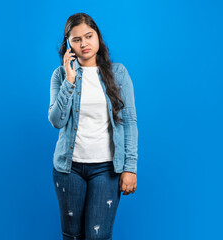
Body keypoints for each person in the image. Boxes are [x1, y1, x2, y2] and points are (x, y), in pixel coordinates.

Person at [48, 12, 138, 240]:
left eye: (88, 36)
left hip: (106, 169)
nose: (84, 43)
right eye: (76, 39)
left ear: (98, 37)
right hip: (69, 169)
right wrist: (70, 80)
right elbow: (57, 120)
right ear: (68, 45)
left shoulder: (118, 73)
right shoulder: (60, 75)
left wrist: (130, 168)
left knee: (99, 236)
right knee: (72, 235)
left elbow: (129, 122)